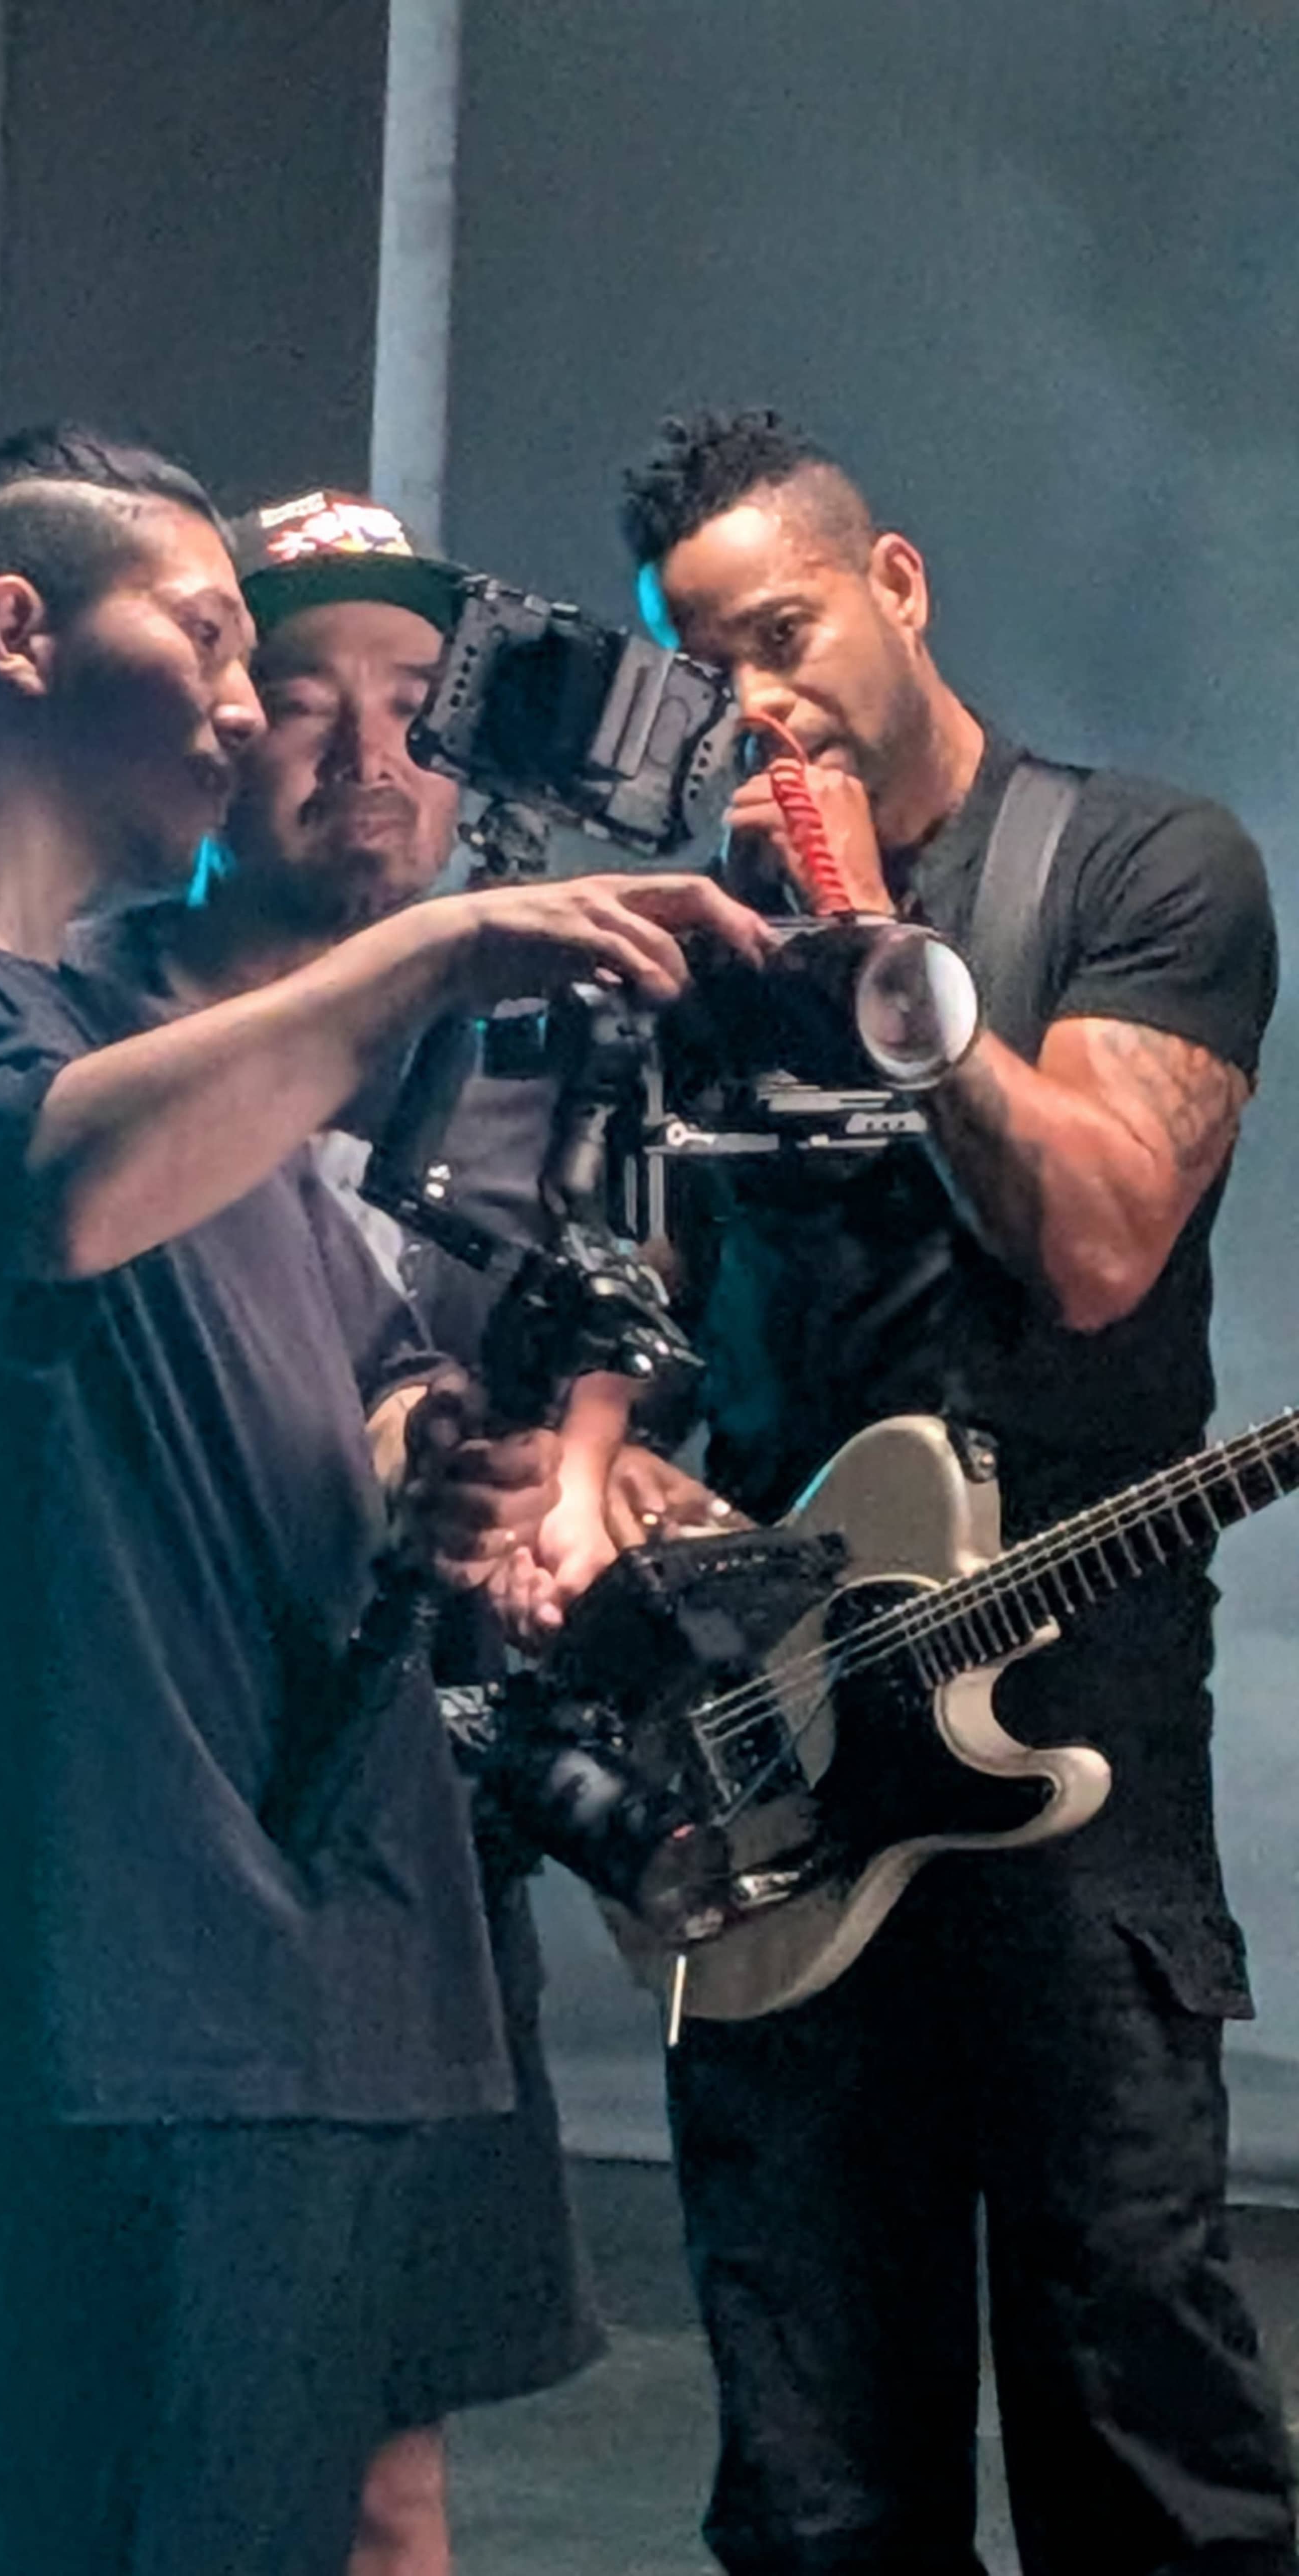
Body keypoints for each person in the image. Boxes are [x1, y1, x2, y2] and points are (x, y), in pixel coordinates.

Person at [0, 424, 765, 2576]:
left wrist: (435, 1478)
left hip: (317, 1994)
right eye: (204, 637)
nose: (237, 700)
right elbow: (62, 1183)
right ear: (16, 633)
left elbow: (356, 1388)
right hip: (107, 1999)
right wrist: (446, 951)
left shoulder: (141, 1041)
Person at [614, 406, 1294, 2575]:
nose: (759, 700)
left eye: (788, 631)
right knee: (817, 2461)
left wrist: (882, 957)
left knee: (1136, 2392)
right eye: (708, 661)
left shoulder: (1141, 867)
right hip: (793, 1756)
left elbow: (1098, 1241)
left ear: (897, 583)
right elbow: (618, 1348)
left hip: (1078, 1733)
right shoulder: (689, 954)